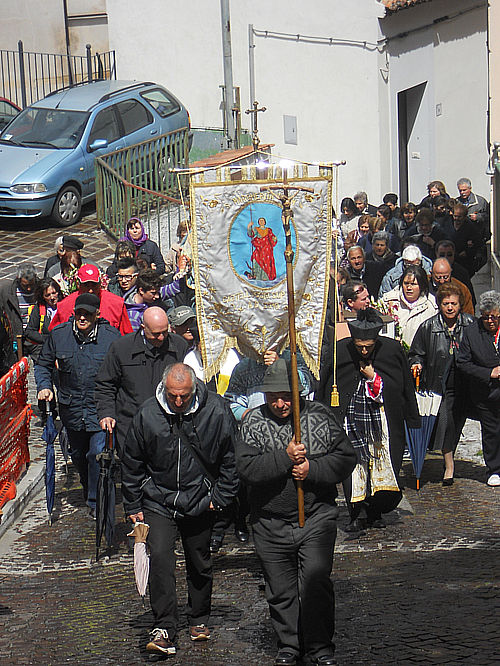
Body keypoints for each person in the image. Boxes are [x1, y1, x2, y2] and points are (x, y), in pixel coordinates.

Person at [236, 358, 356, 666]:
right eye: (272, 396)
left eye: (286, 396)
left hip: (315, 517)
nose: (279, 403)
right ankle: (289, 644)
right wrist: (285, 458)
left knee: (315, 583)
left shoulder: (319, 416)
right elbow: (246, 469)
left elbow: (346, 458)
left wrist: (312, 468)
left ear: (298, 393)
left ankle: (320, 645)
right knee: (280, 590)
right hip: (269, 520)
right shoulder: (252, 423)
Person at [121, 363, 239, 655]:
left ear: (194, 389)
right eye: (173, 395)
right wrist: (133, 503)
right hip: (158, 498)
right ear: (164, 388)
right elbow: (132, 461)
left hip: (200, 498)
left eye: (184, 396)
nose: (177, 401)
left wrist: (220, 497)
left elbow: (231, 458)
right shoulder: (148, 413)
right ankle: (164, 626)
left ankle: (199, 616)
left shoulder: (216, 411)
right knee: (160, 558)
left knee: (199, 560)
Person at [317, 308, 420, 532]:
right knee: (352, 469)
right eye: (359, 345)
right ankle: (356, 513)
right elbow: (325, 383)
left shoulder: (392, 350)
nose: (363, 350)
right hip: (349, 422)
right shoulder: (339, 351)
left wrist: (373, 377)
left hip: (382, 423)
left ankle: (375, 511)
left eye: (368, 346)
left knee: (382, 467)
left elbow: (402, 386)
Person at [35, 293, 120, 516]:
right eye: (79, 313)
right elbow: (42, 364)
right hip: (71, 409)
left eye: (87, 314)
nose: (82, 318)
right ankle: (87, 484)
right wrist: (44, 386)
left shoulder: (111, 337)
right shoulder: (59, 335)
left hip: (100, 408)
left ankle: (95, 501)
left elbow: (121, 372)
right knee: (79, 454)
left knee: (96, 453)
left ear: (97, 315)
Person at [95, 307, 188, 455]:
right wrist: (107, 413)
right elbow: (106, 384)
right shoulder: (121, 348)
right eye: (156, 334)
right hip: (130, 424)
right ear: (143, 328)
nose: (162, 338)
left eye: (165, 332)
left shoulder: (179, 346)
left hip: (168, 425)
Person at [409, 283, 475, 484]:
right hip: (441, 384)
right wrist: (417, 364)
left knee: (458, 422)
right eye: (446, 303)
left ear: (459, 305)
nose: (450, 308)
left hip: (466, 383)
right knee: (446, 422)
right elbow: (416, 353)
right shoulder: (429, 327)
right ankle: (449, 466)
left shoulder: (470, 323)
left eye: (453, 304)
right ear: (440, 304)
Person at [457, 291, 500, 487]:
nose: (490, 321)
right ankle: (494, 469)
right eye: (486, 317)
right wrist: (488, 373)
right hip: (485, 391)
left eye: (494, 316)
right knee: (491, 431)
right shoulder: (472, 332)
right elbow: (463, 363)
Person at [49, 264, 132, 336]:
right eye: (86, 285)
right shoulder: (64, 306)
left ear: (100, 283)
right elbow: (54, 335)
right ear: (78, 284)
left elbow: (126, 336)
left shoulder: (116, 304)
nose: (90, 290)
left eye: (94, 285)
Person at [24, 278, 62, 425]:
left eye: (54, 293)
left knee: (62, 385)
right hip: (43, 354)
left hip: (61, 355)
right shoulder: (38, 310)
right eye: (48, 295)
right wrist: (48, 339)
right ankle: (48, 415)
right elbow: (30, 331)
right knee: (44, 384)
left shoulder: (64, 306)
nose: (52, 297)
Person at [380, 265, 437, 348]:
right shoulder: (387, 301)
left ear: (422, 286)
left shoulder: (432, 306)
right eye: (406, 283)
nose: (409, 288)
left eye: (413, 284)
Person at [0, 263, 38, 343]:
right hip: (16, 337)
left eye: (31, 285)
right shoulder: (6, 291)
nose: (28, 289)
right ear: (18, 279)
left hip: (36, 337)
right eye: (25, 285)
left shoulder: (41, 289)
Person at [434, 239, 476, 305]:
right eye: (442, 255)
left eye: (449, 255)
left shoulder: (462, 273)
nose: (446, 257)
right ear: (436, 254)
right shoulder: (429, 270)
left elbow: (471, 300)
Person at [450, 203, 485, 277]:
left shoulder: (471, 227)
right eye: (455, 216)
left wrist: (467, 252)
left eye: (459, 217)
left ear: (465, 216)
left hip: (465, 262)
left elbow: (478, 243)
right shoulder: (448, 223)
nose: (456, 219)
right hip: (450, 258)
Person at [247, 216, 278, 281]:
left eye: (262, 220)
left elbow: (272, 237)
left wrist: (274, 239)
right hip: (259, 247)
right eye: (260, 221)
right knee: (256, 258)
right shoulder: (256, 229)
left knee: (266, 261)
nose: (261, 222)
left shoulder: (268, 230)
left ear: (265, 222)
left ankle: (265, 277)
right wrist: (249, 227)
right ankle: (257, 276)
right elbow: (251, 234)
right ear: (258, 222)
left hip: (267, 248)